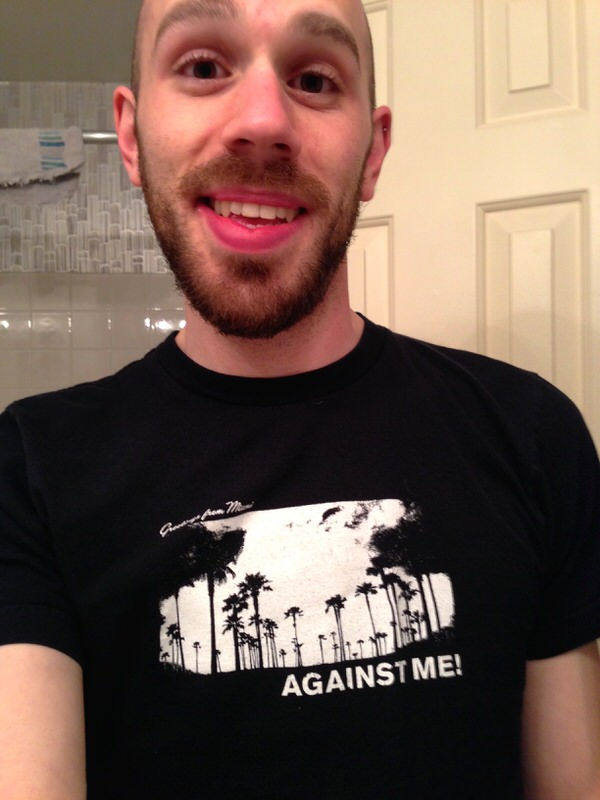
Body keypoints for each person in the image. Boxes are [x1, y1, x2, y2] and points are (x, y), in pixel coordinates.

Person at [0, 0, 599, 797]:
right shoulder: (29, 468)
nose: (261, 121)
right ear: (134, 138)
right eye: (204, 67)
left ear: (373, 153)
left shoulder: (533, 434)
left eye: (314, 80)